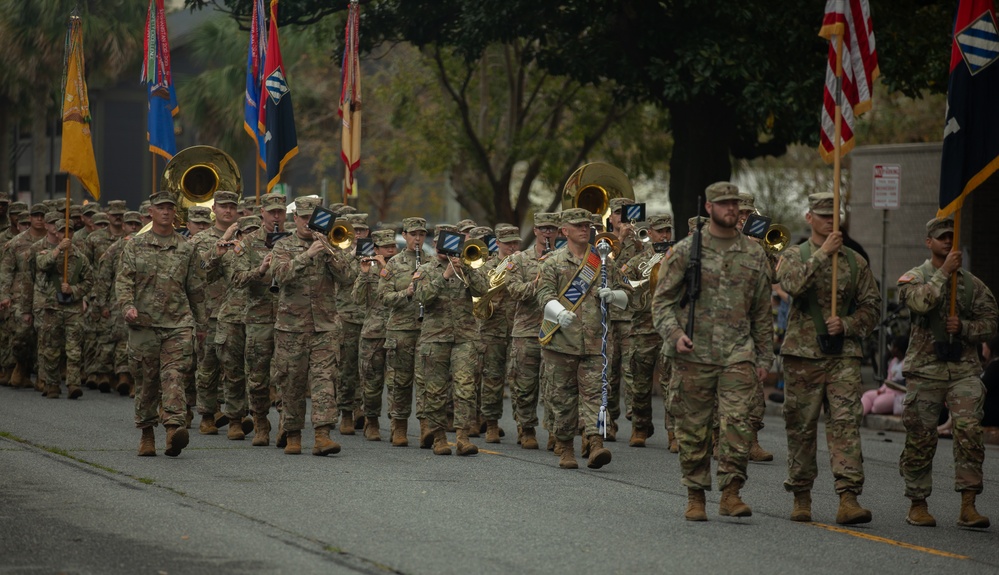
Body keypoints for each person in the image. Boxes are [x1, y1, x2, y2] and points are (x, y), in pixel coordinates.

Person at [653, 182, 772, 521]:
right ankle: (695, 495)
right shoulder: (686, 250)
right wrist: (675, 334)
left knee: (737, 425)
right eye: (723, 203)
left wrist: (764, 357)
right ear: (708, 208)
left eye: (734, 203)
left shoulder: (753, 254)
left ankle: (732, 493)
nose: (731, 209)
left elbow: (762, 311)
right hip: (694, 353)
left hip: (737, 354)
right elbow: (661, 302)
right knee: (694, 428)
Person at [776, 192, 881, 525]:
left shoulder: (855, 261)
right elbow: (791, 284)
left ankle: (848, 498)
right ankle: (801, 496)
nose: (828, 221)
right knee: (801, 426)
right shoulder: (795, 255)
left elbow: (873, 307)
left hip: (843, 356)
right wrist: (823, 254)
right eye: (822, 216)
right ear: (809, 218)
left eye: (833, 216)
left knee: (845, 424)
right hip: (803, 355)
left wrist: (848, 324)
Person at [897, 217, 997, 528]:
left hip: (964, 369)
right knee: (921, 436)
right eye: (942, 237)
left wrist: (966, 328)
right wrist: (943, 274)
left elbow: (992, 322)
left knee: (968, 430)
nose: (947, 242)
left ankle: (968, 504)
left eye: (952, 237)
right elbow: (919, 303)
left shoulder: (973, 285)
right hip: (926, 370)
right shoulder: (913, 278)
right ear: (929, 241)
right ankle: (918, 503)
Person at [537, 207, 631, 470]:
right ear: (564, 230)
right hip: (561, 343)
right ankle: (565, 447)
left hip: (595, 343)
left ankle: (596, 442)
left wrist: (614, 296)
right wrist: (558, 312)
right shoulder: (553, 262)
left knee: (597, 396)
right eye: (577, 224)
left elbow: (628, 295)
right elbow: (543, 296)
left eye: (587, 224)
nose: (584, 228)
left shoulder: (603, 262)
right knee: (562, 398)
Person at [116, 191, 207, 457]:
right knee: (146, 382)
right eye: (161, 208)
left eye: (170, 207)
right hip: (143, 324)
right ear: (150, 213)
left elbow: (196, 289)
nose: (166, 212)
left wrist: (200, 325)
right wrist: (127, 306)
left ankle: (173, 429)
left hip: (178, 325)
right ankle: (146, 433)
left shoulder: (186, 248)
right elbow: (123, 282)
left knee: (174, 376)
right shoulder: (134, 246)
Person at [269, 197, 356, 456]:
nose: (307, 223)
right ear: (294, 219)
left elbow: (348, 278)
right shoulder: (283, 245)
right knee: (292, 382)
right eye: (303, 218)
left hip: (325, 326)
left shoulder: (331, 245)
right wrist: (307, 256)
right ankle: (293, 434)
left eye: (312, 218)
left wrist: (328, 253)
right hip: (291, 327)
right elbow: (280, 275)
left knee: (325, 381)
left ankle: (322, 435)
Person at [414, 224, 490, 455]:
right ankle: (438, 437)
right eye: (439, 244)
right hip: (434, 338)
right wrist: (444, 276)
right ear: (435, 246)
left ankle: (462, 436)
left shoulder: (466, 267)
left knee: (465, 388)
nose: (444, 249)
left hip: (465, 337)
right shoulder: (426, 270)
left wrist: (465, 270)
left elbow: (483, 291)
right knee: (435, 391)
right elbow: (421, 297)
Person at [229, 192, 287, 446]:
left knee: (288, 373)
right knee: (258, 375)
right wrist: (260, 270)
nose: (276, 216)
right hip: (258, 318)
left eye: (280, 212)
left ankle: (287, 423)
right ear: (261, 212)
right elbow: (235, 278)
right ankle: (261, 422)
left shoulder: (294, 241)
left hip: (289, 319)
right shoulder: (248, 243)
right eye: (271, 211)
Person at [505, 213, 560, 450]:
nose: (547, 232)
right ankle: (526, 428)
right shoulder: (519, 260)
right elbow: (514, 291)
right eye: (543, 228)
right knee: (524, 385)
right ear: (535, 230)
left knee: (555, 386)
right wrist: (538, 283)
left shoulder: (563, 259)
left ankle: (556, 432)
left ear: (558, 232)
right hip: (527, 330)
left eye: (552, 228)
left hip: (556, 330)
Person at [190, 190, 240, 435]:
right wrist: (221, 244)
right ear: (214, 209)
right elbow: (196, 270)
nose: (228, 210)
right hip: (209, 312)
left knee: (236, 368)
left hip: (238, 312)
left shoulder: (247, 237)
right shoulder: (200, 239)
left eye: (232, 206)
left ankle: (235, 416)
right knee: (208, 366)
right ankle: (207, 415)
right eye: (223, 206)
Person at [621, 213, 672, 447]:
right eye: (660, 231)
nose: (664, 235)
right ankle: (640, 428)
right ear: (649, 232)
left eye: (667, 231)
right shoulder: (637, 262)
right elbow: (621, 286)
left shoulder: (678, 258)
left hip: (669, 329)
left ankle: (674, 434)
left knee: (671, 384)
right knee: (640, 384)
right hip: (642, 329)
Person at [377, 217, 430, 446]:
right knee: (400, 380)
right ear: (405, 235)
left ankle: (427, 425)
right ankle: (399, 426)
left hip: (427, 330)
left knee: (427, 380)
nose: (417, 239)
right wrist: (406, 294)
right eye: (413, 234)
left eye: (421, 234)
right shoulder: (394, 264)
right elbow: (383, 297)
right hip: (400, 330)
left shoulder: (432, 262)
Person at [33, 214, 92, 398]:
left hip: (73, 308)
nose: (66, 234)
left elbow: (89, 281)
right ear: (56, 234)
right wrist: (58, 249)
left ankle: (73, 383)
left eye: (70, 231)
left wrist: (74, 289)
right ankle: (52, 384)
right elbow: (42, 264)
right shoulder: (46, 252)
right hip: (52, 307)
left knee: (74, 349)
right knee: (51, 348)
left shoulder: (80, 258)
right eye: (62, 231)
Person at [353, 229, 399, 441]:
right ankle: (371, 420)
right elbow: (357, 298)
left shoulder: (401, 268)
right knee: (371, 383)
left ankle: (396, 423)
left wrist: (386, 270)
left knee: (396, 381)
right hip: (374, 332)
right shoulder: (367, 269)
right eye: (386, 247)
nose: (391, 250)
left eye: (393, 246)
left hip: (397, 331)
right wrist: (364, 274)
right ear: (376, 249)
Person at [861, 335, 908, 416]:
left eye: (893, 347)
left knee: (878, 403)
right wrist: (881, 389)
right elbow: (888, 379)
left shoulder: (907, 363)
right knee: (867, 395)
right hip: (887, 391)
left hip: (898, 394)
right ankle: (860, 414)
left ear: (897, 349)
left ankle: (872, 409)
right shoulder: (893, 361)